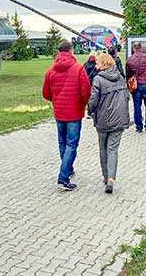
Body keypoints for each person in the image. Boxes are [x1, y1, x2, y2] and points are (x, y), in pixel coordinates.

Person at [42, 40, 91, 191]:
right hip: (74, 112)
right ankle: (63, 178)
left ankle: (67, 168)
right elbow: (86, 91)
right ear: (71, 51)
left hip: (59, 112)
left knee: (62, 142)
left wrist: (56, 100)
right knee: (71, 144)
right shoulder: (78, 69)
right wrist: (84, 103)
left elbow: (46, 93)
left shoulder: (51, 71)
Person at [87, 53, 130, 194]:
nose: (96, 65)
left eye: (98, 63)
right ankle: (111, 178)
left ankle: (105, 177)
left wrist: (90, 111)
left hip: (103, 120)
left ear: (104, 64)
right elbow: (126, 97)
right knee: (113, 149)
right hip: (119, 119)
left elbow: (93, 101)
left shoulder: (98, 79)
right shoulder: (120, 78)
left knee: (103, 149)